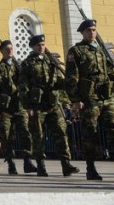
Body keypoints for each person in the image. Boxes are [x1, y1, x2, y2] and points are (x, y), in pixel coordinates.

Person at [65, 18, 114, 181]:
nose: (92, 32)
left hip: (106, 96)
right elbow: (72, 77)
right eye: (88, 30)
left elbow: (110, 71)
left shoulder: (102, 50)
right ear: (82, 32)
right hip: (89, 98)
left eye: (94, 30)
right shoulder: (76, 51)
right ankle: (91, 168)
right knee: (90, 134)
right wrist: (75, 99)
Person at [17, 34, 79, 177]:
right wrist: (28, 106)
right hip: (37, 105)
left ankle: (66, 164)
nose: (41, 47)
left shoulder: (51, 61)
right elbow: (23, 87)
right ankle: (41, 166)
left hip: (53, 103)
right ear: (32, 47)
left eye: (43, 44)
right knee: (38, 137)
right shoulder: (27, 64)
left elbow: (57, 80)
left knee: (61, 134)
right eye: (38, 45)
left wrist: (68, 83)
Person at [0, 40, 34, 175]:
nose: (9, 51)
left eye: (11, 49)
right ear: (1, 51)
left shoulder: (19, 67)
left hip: (19, 106)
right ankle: (11, 163)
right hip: (5, 108)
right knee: (7, 137)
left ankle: (27, 161)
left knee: (26, 133)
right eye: (6, 49)